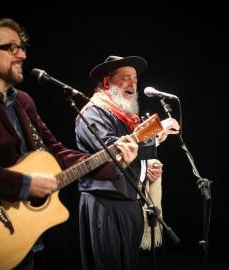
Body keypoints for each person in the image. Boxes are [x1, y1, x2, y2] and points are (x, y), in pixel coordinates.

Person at [0, 19, 139, 270]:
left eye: (22, 47)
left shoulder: (24, 102)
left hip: (23, 234)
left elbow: (57, 153)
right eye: (12, 48)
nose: (22, 54)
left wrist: (112, 160)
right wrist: (24, 185)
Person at [75, 55, 180, 270]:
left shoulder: (125, 116)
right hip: (105, 204)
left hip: (130, 201)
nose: (133, 83)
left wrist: (145, 169)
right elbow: (115, 149)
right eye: (125, 78)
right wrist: (157, 133)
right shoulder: (93, 112)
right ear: (107, 83)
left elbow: (133, 152)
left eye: (135, 79)